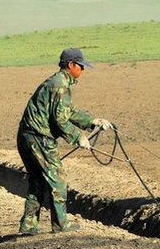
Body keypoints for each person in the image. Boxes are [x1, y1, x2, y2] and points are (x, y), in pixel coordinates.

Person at [17, 48, 112, 234]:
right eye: (80, 66)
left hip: (27, 137)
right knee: (58, 180)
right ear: (71, 65)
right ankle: (61, 224)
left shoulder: (58, 82)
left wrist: (92, 121)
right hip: (39, 138)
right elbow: (60, 120)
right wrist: (79, 137)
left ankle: (28, 225)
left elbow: (68, 113)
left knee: (38, 180)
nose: (82, 71)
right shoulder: (60, 85)